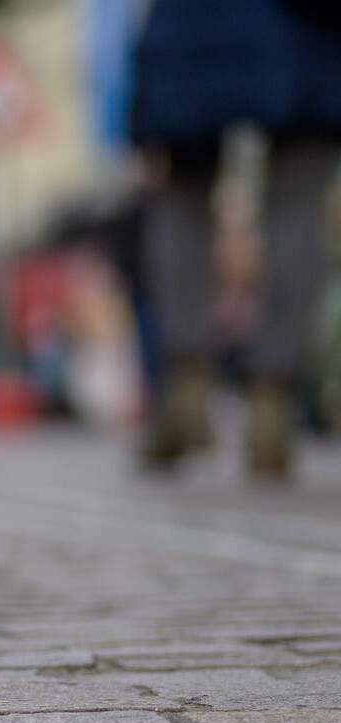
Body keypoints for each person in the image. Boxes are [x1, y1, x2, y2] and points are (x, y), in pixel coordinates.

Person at [133, 0, 341, 480]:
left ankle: (186, 386)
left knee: (181, 194)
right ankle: (273, 402)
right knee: (299, 203)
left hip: (194, 21)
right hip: (303, 27)